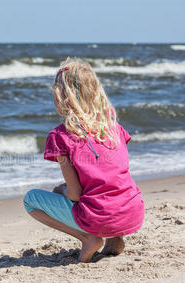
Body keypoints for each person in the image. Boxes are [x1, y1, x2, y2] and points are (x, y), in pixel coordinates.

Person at [23, 58, 144, 263]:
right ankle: (115, 240)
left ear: (61, 96)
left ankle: (87, 238)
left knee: (31, 199)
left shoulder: (60, 135)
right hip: (132, 211)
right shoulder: (115, 128)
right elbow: (111, 173)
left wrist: (61, 190)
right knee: (107, 187)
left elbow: (75, 194)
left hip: (99, 216)